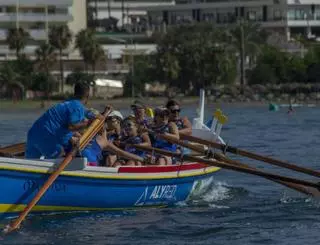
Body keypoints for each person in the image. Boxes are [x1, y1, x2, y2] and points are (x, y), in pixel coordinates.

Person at [25, 82, 95, 159]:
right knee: (60, 152)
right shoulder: (78, 107)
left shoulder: (67, 103)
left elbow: (85, 112)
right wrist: (89, 123)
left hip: (33, 133)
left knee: (30, 161)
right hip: (47, 137)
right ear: (87, 95)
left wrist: (95, 115)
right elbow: (72, 126)